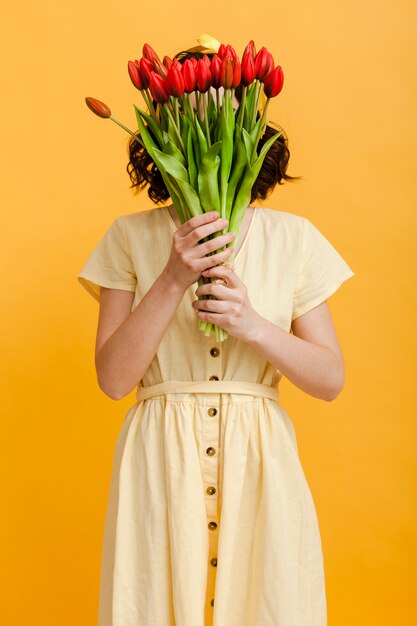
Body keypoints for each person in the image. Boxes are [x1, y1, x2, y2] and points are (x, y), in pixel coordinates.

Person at [77, 48, 355, 626]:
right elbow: (113, 379)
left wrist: (252, 324)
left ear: (249, 118)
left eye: (219, 102)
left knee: (269, 600)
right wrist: (174, 276)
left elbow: (330, 381)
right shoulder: (128, 237)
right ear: (162, 118)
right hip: (160, 456)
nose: (205, 117)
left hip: (261, 459)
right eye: (185, 102)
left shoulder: (295, 238)